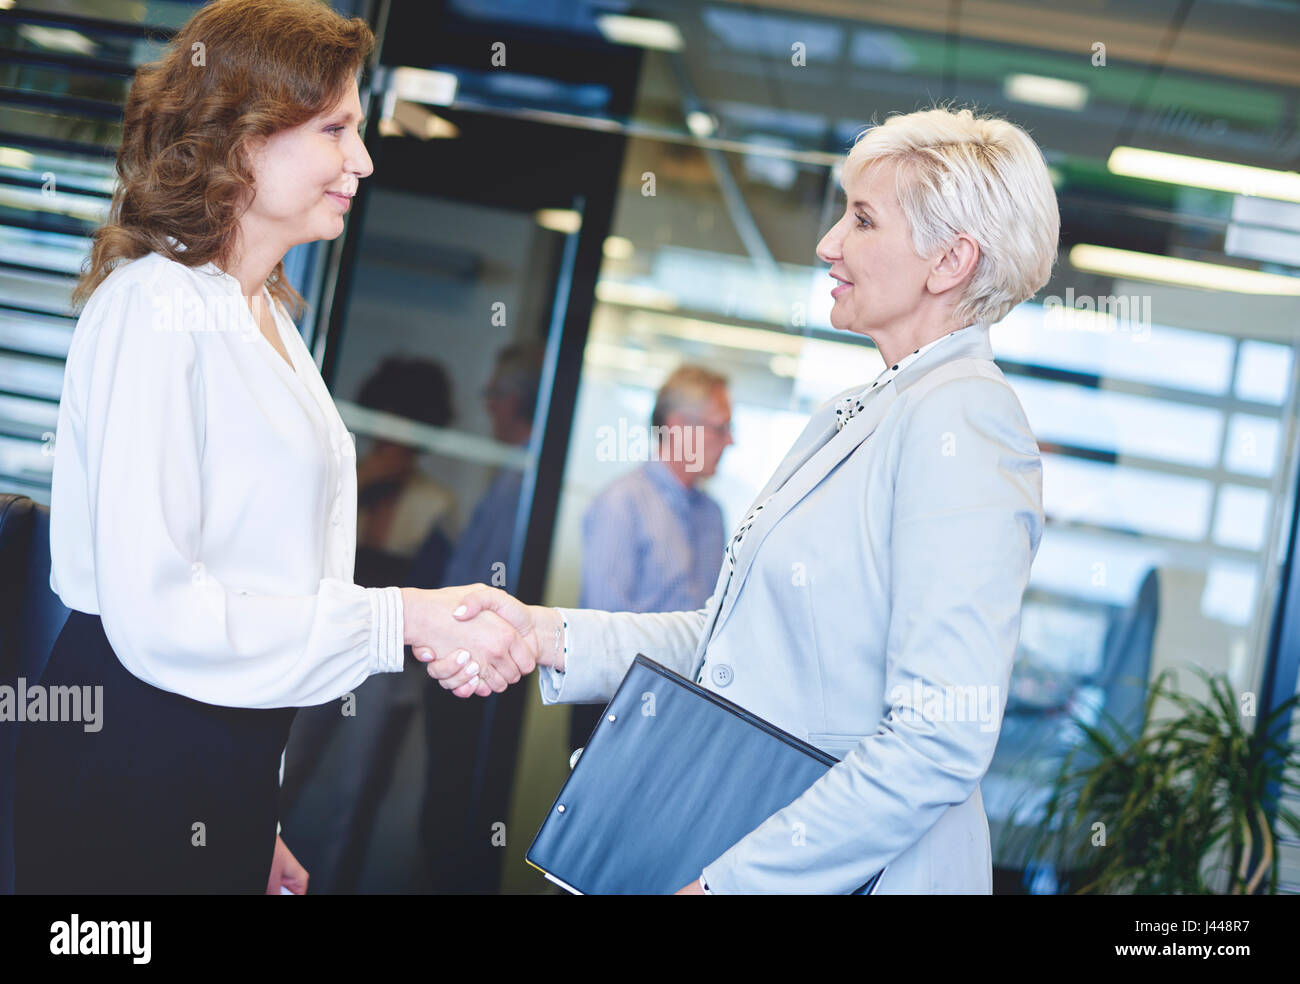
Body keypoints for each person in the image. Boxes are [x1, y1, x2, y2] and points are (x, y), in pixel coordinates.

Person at [439, 105, 1058, 894]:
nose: (829, 243)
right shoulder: (858, 410)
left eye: (863, 219)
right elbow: (729, 640)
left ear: (949, 262)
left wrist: (731, 887)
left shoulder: (965, 421)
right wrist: (545, 633)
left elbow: (940, 738)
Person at [13, 0, 534, 895]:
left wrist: (257, 811)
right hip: (135, 751)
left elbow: (268, 579)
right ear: (246, 138)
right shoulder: (156, 305)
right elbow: (162, 614)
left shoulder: (263, 317)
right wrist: (399, 619)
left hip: (217, 755)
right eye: (336, 129)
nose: (362, 160)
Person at [569, 365, 730, 751]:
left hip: (685, 714)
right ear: (678, 428)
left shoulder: (712, 515)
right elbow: (604, 631)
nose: (730, 441)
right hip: (617, 711)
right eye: (720, 428)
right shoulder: (621, 505)